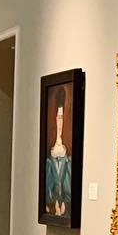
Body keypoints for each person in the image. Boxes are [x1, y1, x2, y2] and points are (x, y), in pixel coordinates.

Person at [45, 89, 71, 218]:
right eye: (58, 117)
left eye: (62, 118)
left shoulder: (68, 158)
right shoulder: (49, 157)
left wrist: (65, 202)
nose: (59, 123)